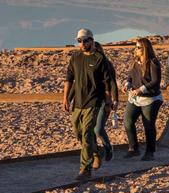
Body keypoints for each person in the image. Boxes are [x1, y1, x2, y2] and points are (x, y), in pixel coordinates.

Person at [63, 28, 114, 181]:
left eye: (86, 40)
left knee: (86, 134)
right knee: (78, 132)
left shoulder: (99, 59)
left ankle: (85, 169)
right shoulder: (75, 57)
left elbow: (107, 83)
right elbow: (69, 79)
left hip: (94, 102)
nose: (83, 43)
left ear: (92, 40)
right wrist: (65, 98)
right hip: (78, 103)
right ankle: (97, 151)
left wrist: (108, 101)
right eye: (80, 41)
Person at [123, 37, 163, 161]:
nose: (136, 49)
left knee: (148, 125)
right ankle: (133, 148)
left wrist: (141, 89)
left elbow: (156, 81)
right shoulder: (135, 62)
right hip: (135, 98)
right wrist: (127, 84)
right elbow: (130, 76)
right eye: (135, 47)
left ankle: (150, 152)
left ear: (145, 49)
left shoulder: (153, 62)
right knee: (128, 122)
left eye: (139, 47)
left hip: (150, 99)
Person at [92, 41, 120, 164]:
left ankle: (108, 147)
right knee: (89, 128)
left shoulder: (107, 64)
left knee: (98, 129)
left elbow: (113, 83)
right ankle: (95, 152)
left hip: (105, 100)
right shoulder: (88, 64)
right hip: (92, 101)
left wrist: (115, 100)